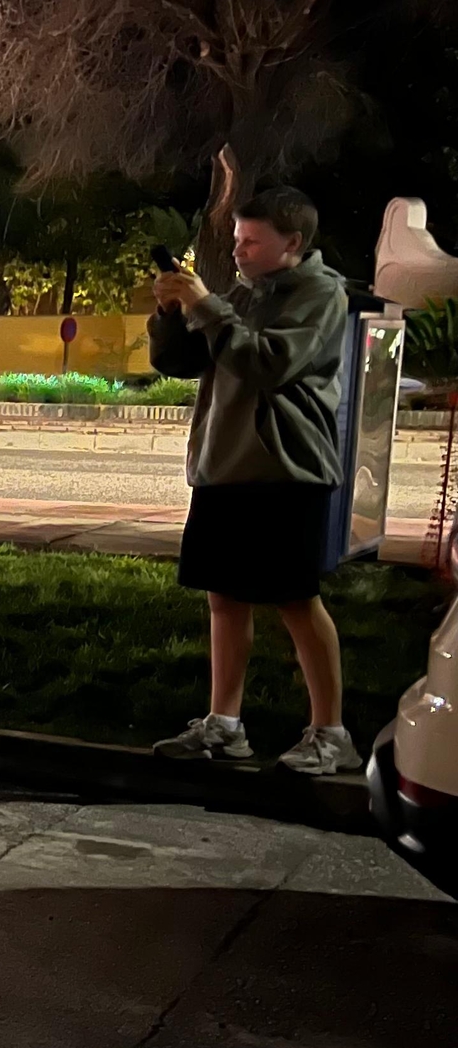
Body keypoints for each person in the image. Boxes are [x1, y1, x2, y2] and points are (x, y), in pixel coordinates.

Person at [147, 187, 356, 773]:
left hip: (284, 470)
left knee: (295, 599)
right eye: (236, 239)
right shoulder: (245, 291)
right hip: (225, 465)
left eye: (250, 241)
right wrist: (171, 313)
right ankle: (224, 725)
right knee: (224, 597)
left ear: (292, 242)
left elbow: (268, 363)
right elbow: (183, 362)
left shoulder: (320, 294)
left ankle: (331, 732)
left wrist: (208, 306)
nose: (237, 251)